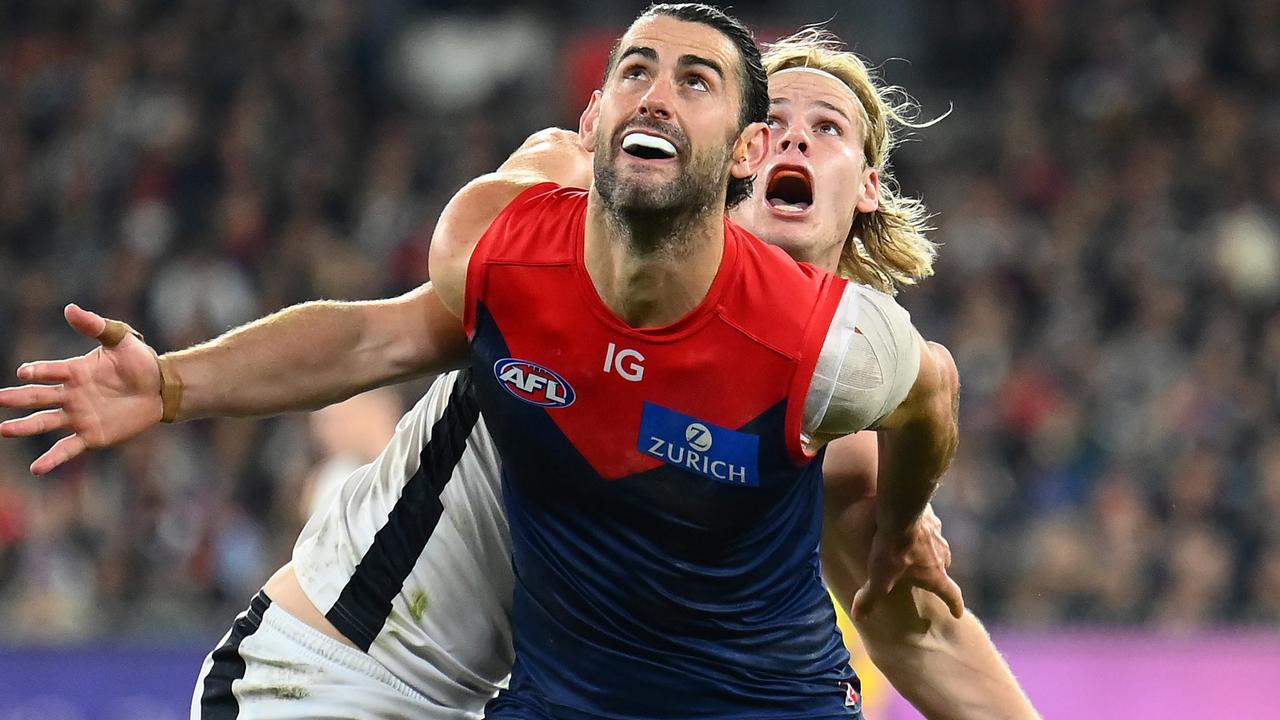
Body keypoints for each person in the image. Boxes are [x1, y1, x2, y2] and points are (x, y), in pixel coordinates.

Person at [0, 6, 1034, 719]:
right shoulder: (558, 230)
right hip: (337, 676)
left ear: (865, 191)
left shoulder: (831, 406)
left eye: (826, 130)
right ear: (734, 154)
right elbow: (383, 332)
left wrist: (903, 505)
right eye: (773, 123)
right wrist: (174, 383)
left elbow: (921, 630)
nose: (787, 146)